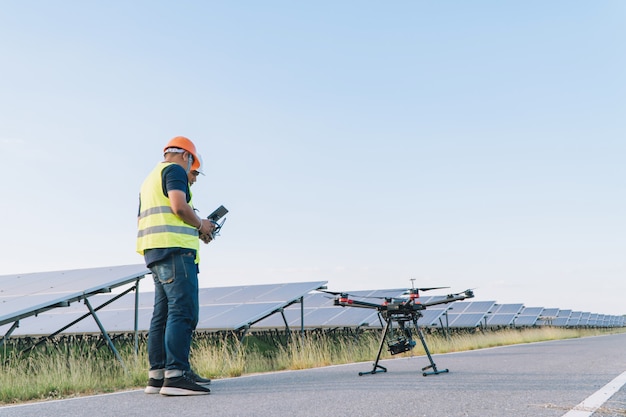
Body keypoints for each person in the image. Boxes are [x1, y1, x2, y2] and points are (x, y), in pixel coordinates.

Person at [136, 136, 215, 396]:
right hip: (175, 252)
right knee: (183, 312)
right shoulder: (174, 170)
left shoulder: (151, 177)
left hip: (155, 250)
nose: (192, 173)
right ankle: (176, 376)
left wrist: (197, 229)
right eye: (193, 166)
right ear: (186, 157)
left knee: (163, 315)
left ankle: (157, 376)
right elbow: (179, 207)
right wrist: (202, 225)